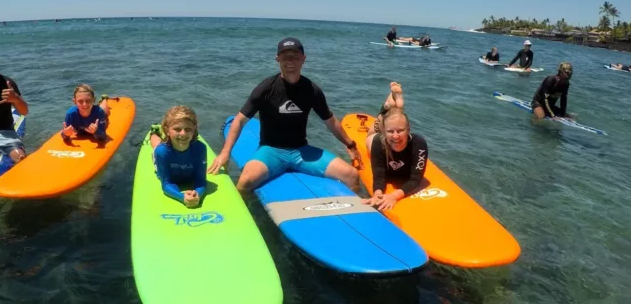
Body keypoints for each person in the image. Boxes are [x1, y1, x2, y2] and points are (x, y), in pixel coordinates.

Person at [207, 37, 363, 192]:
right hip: (271, 150)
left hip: (302, 151)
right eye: (285, 57)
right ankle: (245, 212)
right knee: (245, 181)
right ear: (277, 59)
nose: (290, 61)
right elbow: (240, 120)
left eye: (295, 57)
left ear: (303, 59)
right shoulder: (266, 88)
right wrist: (225, 153)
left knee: (351, 175)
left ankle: (358, 210)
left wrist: (351, 145)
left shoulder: (312, 90)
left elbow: (330, 121)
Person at [361, 109, 428, 211]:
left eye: (400, 130)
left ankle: (390, 110)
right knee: (370, 139)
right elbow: (379, 174)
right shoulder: (378, 142)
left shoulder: (419, 144)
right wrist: (377, 194)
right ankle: (382, 113)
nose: (396, 136)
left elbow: (416, 179)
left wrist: (394, 196)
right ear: (384, 131)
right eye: (390, 131)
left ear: (408, 129)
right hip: (378, 140)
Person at [148, 105, 207, 208]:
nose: (183, 134)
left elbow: (201, 180)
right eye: (177, 129)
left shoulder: (201, 148)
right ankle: (154, 132)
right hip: (163, 152)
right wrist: (182, 197)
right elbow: (166, 183)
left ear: (194, 129)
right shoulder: (162, 152)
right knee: (157, 146)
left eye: (188, 129)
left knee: (161, 146)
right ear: (167, 130)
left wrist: (197, 194)